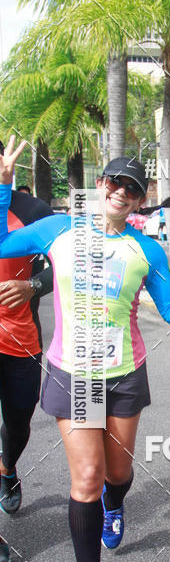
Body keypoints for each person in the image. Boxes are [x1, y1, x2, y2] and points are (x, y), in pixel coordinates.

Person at [0, 141, 170, 562]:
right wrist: (3, 188)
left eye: (133, 188)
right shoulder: (60, 230)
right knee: (86, 477)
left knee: (117, 474)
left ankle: (116, 504)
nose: (121, 192)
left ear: (140, 200)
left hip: (124, 374)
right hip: (76, 376)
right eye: (115, 182)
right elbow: (2, 246)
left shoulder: (145, 249)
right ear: (100, 185)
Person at [0, 175, 54, 524]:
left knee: (18, 422)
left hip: (20, 339)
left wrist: (33, 285)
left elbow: (71, 262)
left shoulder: (32, 210)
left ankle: (7, 468)